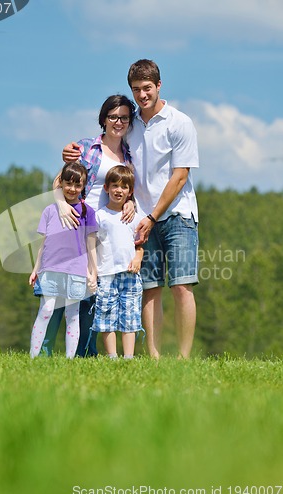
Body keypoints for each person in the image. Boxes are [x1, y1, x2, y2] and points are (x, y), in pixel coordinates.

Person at [63, 60, 200, 359]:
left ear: (159, 85)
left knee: (181, 286)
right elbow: (106, 142)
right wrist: (73, 151)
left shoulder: (180, 122)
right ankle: (153, 356)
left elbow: (181, 176)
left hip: (177, 215)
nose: (142, 95)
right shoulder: (132, 125)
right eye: (136, 89)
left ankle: (184, 358)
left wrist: (152, 216)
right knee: (149, 288)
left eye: (147, 88)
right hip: (138, 221)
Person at [46, 94, 137, 358]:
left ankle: (87, 350)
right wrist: (62, 205)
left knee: (95, 291)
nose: (118, 122)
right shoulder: (87, 148)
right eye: (112, 117)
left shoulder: (129, 156)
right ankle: (45, 348)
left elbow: (127, 188)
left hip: (107, 230)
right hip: (76, 224)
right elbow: (58, 182)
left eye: (123, 118)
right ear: (103, 118)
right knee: (64, 289)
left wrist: (130, 202)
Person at [29, 162, 97, 359]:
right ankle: (34, 357)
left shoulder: (88, 212)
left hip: (76, 270)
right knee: (46, 310)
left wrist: (93, 272)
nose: (72, 189)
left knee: (72, 314)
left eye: (78, 185)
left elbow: (91, 245)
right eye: (68, 184)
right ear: (62, 183)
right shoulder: (50, 210)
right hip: (50, 268)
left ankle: (69, 359)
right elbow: (44, 243)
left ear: (83, 186)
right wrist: (36, 269)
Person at [92, 165, 143, 359]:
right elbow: (93, 246)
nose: (118, 190)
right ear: (106, 188)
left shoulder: (134, 217)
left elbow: (139, 245)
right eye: (114, 186)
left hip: (130, 274)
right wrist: (93, 271)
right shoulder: (99, 216)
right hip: (106, 274)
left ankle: (128, 357)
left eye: (124, 187)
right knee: (106, 315)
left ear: (130, 192)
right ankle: (112, 356)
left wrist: (138, 258)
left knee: (129, 316)